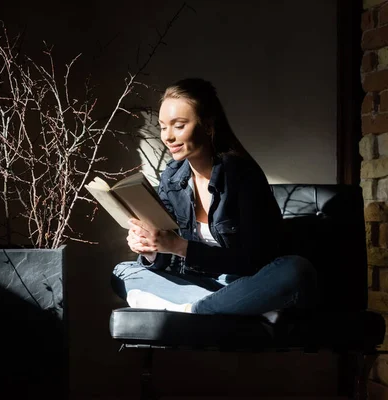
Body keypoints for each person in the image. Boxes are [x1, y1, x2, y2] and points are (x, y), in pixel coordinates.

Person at [111, 78, 316, 319]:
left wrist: (179, 246)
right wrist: (150, 250)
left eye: (178, 125)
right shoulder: (172, 177)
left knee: (296, 270)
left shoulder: (242, 176)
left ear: (208, 126)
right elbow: (168, 259)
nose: (167, 137)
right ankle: (229, 309)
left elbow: (254, 261)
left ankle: (195, 311)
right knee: (123, 271)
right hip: (203, 285)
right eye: (163, 126)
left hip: (246, 282)